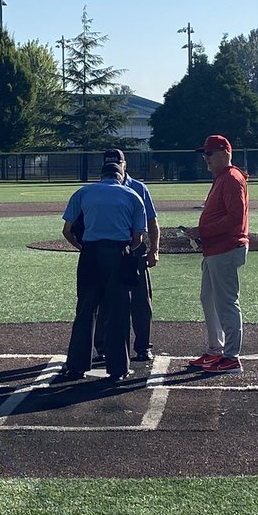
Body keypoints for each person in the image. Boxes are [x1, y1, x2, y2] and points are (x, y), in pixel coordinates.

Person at [58, 162, 147, 382]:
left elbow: (67, 231)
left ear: (101, 176)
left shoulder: (83, 192)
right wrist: (126, 250)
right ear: (121, 175)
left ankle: (77, 366)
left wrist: (84, 248)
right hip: (118, 253)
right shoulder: (132, 195)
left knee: (86, 310)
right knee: (118, 311)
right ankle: (118, 368)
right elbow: (139, 237)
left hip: (90, 255)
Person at [184, 135, 249, 374]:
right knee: (208, 299)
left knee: (226, 303)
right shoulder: (223, 178)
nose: (206, 158)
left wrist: (202, 231)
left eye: (209, 153)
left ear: (225, 153)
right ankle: (215, 350)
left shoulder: (231, 178)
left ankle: (231, 357)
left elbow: (234, 219)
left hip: (226, 248)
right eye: (205, 154)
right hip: (215, 249)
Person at [93, 149, 160, 363]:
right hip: (109, 249)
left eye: (119, 163)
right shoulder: (98, 188)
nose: (116, 167)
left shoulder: (138, 187)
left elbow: (152, 221)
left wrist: (154, 249)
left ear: (125, 164)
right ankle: (102, 345)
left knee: (140, 300)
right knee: (105, 299)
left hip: (135, 249)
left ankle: (142, 346)